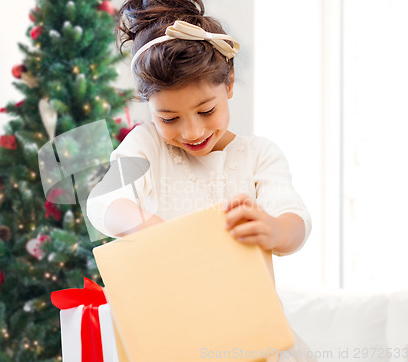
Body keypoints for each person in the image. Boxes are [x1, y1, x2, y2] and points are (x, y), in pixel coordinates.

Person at [86, 1, 316, 361]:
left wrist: (274, 229)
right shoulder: (147, 146)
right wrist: (148, 228)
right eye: (169, 118)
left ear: (229, 84)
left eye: (206, 111)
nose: (192, 131)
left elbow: (296, 222)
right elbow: (102, 202)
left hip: (251, 341)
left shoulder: (258, 156)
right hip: (175, 340)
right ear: (149, 108)